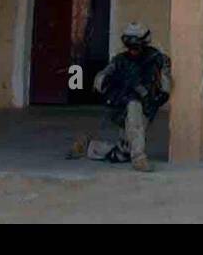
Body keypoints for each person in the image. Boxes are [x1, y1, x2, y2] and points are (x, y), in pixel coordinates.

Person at [67, 22, 171, 172]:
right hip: (125, 106)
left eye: (136, 45)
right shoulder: (120, 60)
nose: (133, 50)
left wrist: (160, 94)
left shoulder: (156, 58)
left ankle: (89, 146)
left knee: (123, 152)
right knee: (134, 108)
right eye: (130, 45)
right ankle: (139, 158)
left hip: (147, 105)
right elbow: (100, 80)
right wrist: (114, 84)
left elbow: (165, 79)